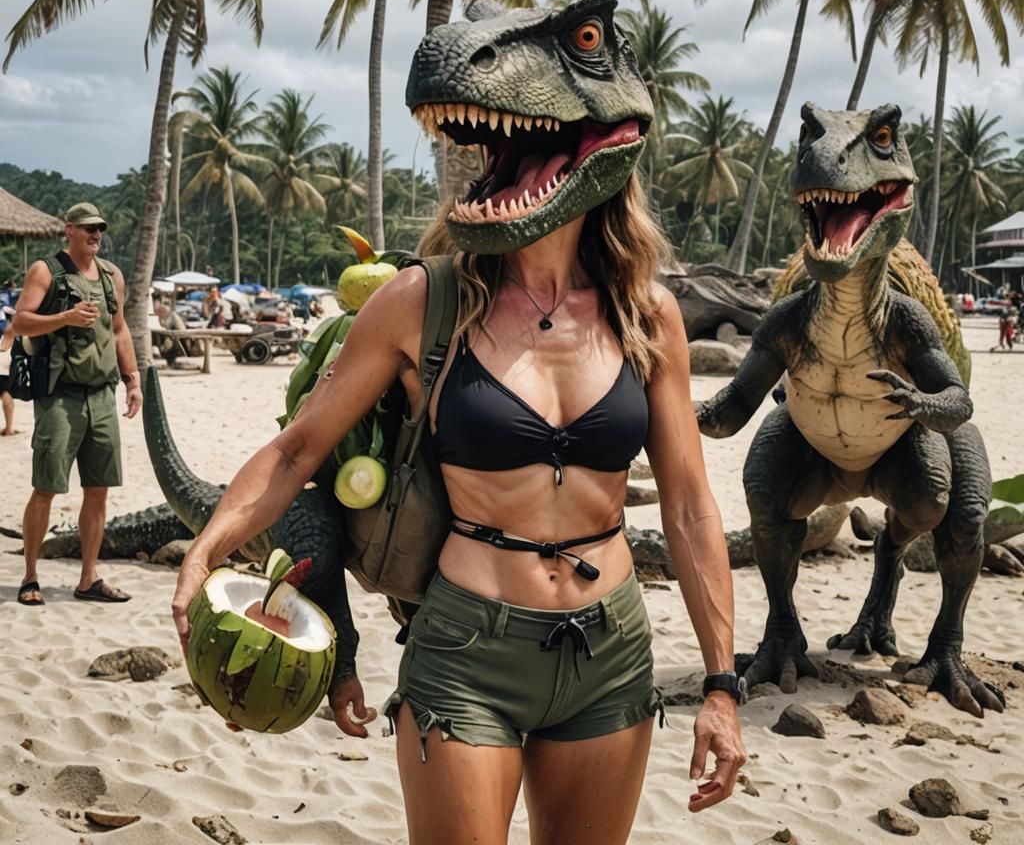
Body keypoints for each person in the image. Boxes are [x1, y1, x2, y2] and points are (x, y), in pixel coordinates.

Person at [173, 194, 745, 836]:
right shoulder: (424, 300)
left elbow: (691, 507)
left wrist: (722, 685)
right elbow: (297, 449)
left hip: (609, 654)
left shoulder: (644, 311)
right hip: (469, 649)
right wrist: (204, 552)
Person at [13, 202, 142, 606]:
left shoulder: (111, 276)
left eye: (99, 228)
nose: (95, 234)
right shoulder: (45, 271)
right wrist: (65, 317)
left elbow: (119, 330)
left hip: (102, 396)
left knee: (98, 489)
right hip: (60, 395)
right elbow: (20, 321)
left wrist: (133, 380)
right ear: (68, 229)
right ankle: (31, 577)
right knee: (46, 487)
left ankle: (89, 579)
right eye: (87, 228)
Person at [0, 312, 16, 435]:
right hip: (5, 363)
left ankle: (9, 428)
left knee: (5, 394)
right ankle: (9, 428)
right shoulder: (13, 327)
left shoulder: (11, 327)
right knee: (6, 394)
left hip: (3, 360)